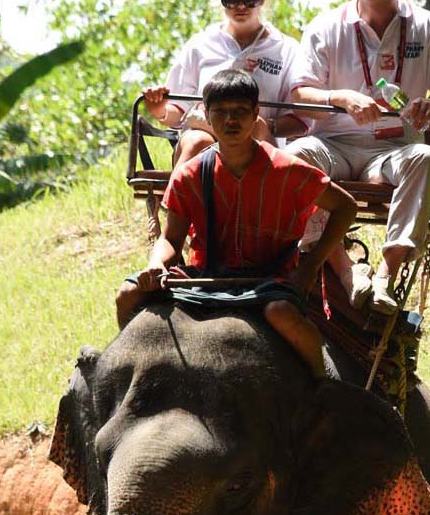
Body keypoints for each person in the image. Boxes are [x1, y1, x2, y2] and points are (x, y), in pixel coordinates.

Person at [116, 70, 357, 379]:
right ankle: (127, 377)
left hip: (270, 281)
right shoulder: (189, 173)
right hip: (204, 280)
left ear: (256, 114)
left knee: (281, 313)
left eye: (241, 112)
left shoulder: (288, 169)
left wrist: (310, 267)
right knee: (127, 294)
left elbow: (345, 206)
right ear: (206, 113)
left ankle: (321, 384)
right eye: (221, 112)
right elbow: (171, 240)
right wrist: (156, 264)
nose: (231, 121)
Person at [288, 0, 430, 314]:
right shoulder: (325, 27)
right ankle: (343, 266)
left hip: (393, 149)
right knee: (298, 153)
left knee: (425, 157)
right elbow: (300, 95)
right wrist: (340, 97)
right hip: (333, 145)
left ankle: (385, 274)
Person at [141, 0, 307, 180]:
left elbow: (300, 121)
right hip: (205, 132)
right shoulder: (200, 45)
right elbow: (177, 113)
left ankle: (266, 208)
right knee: (197, 141)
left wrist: (258, 123)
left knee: (255, 129)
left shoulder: (285, 49)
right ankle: (175, 206)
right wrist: (159, 109)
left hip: (257, 138)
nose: (240, 6)